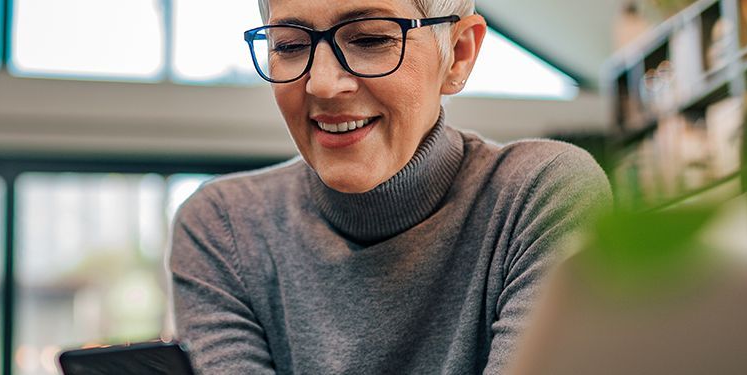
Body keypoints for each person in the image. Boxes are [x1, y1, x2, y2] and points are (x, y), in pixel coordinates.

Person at [169, 0, 612, 373]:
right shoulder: (223, 227)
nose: (322, 83)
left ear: (458, 54)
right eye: (289, 45)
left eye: (369, 39)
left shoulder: (536, 195)